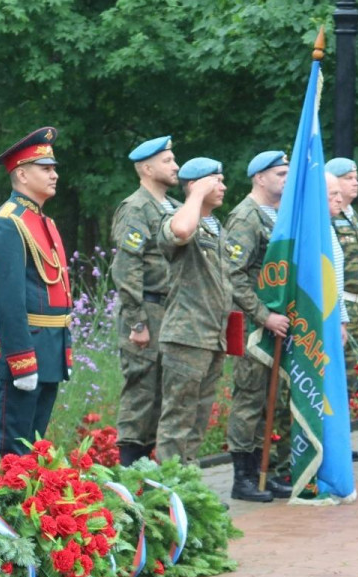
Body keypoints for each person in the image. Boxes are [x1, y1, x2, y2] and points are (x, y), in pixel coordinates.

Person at [0, 127, 72, 458]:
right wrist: (20, 359)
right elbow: (7, 300)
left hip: (49, 347)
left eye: (54, 168)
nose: (55, 175)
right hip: (26, 349)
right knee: (12, 450)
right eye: (46, 168)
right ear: (22, 174)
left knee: (36, 448)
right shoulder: (8, 222)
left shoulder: (44, 221)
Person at [222, 151, 292, 502]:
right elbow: (233, 275)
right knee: (249, 399)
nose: (286, 179)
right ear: (260, 178)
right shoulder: (246, 217)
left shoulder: (278, 214)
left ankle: (265, 472)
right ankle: (243, 477)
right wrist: (264, 316)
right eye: (280, 173)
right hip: (252, 325)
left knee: (269, 400)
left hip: (273, 324)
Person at [156, 157, 231, 465]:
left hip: (213, 336)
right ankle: (167, 487)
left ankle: (188, 481)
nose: (223, 187)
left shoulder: (217, 228)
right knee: (178, 419)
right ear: (195, 184)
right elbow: (181, 230)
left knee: (198, 419)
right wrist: (197, 194)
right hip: (187, 335)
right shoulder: (177, 217)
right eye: (216, 180)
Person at [111, 136, 180, 465]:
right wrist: (137, 322)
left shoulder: (173, 207)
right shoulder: (137, 207)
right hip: (147, 309)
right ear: (147, 169)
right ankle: (130, 472)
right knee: (142, 392)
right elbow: (127, 267)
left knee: (165, 394)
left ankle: (155, 475)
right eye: (167, 161)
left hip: (172, 311)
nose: (176, 166)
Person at [326, 158, 358, 399]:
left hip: (355, 302)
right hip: (337, 300)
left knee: (351, 368)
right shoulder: (329, 216)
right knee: (336, 366)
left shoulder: (353, 216)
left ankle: (349, 412)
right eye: (348, 178)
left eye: (356, 178)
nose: (355, 182)